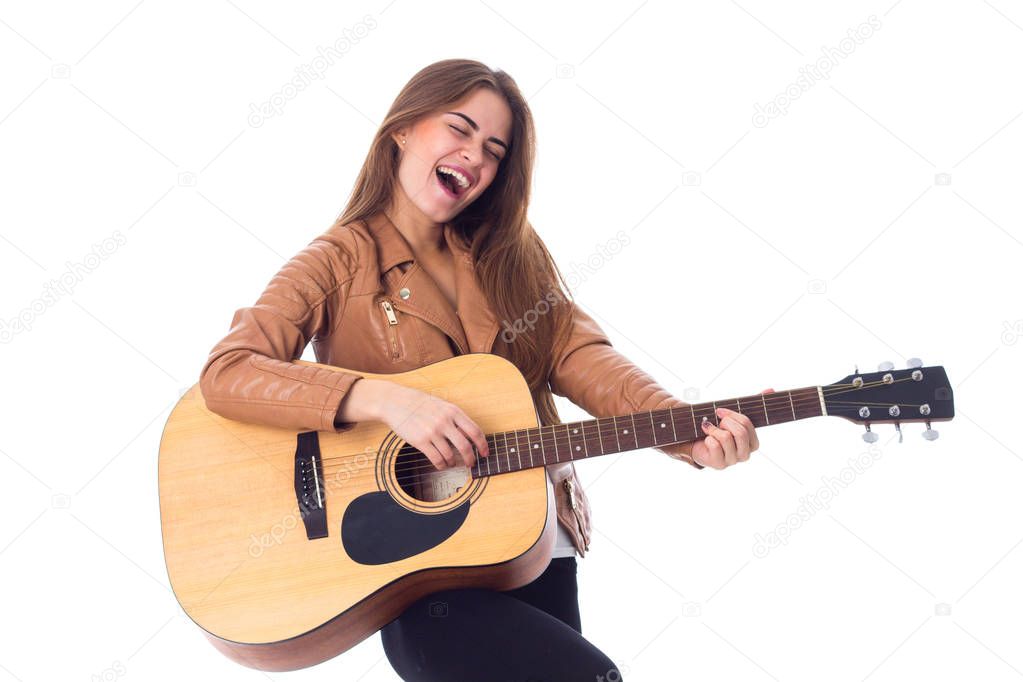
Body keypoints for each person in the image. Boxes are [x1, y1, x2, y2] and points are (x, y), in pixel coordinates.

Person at [199, 59, 768, 682]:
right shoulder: (337, 261)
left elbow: (581, 359)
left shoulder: (511, 259)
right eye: (460, 129)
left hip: (536, 547)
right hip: (425, 576)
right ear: (403, 130)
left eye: (494, 150)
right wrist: (384, 400)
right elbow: (231, 370)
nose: (475, 156)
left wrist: (685, 433)